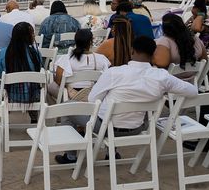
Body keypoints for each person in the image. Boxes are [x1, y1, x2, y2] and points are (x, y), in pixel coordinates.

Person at [55, 36, 198, 164]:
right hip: (137, 128)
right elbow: (192, 91)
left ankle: (71, 156)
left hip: (105, 128)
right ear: (153, 53)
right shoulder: (162, 77)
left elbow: (93, 99)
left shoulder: (115, 72)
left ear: (132, 51)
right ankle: (111, 152)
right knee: (110, 110)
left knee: (68, 108)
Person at [51, 29, 111, 100]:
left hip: (71, 95)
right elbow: (107, 77)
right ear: (91, 42)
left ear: (75, 41)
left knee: (50, 87)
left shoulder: (66, 58)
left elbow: (58, 81)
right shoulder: (101, 59)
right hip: (93, 94)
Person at [0, 22, 42, 105]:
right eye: (32, 33)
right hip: (33, 95)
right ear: (28, 37)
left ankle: (6, 113)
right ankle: (34, 114)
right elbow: (38, 71)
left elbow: (0, 75)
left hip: (10, 95)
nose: (34, 36)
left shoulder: (3, 53)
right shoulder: (35, 54)